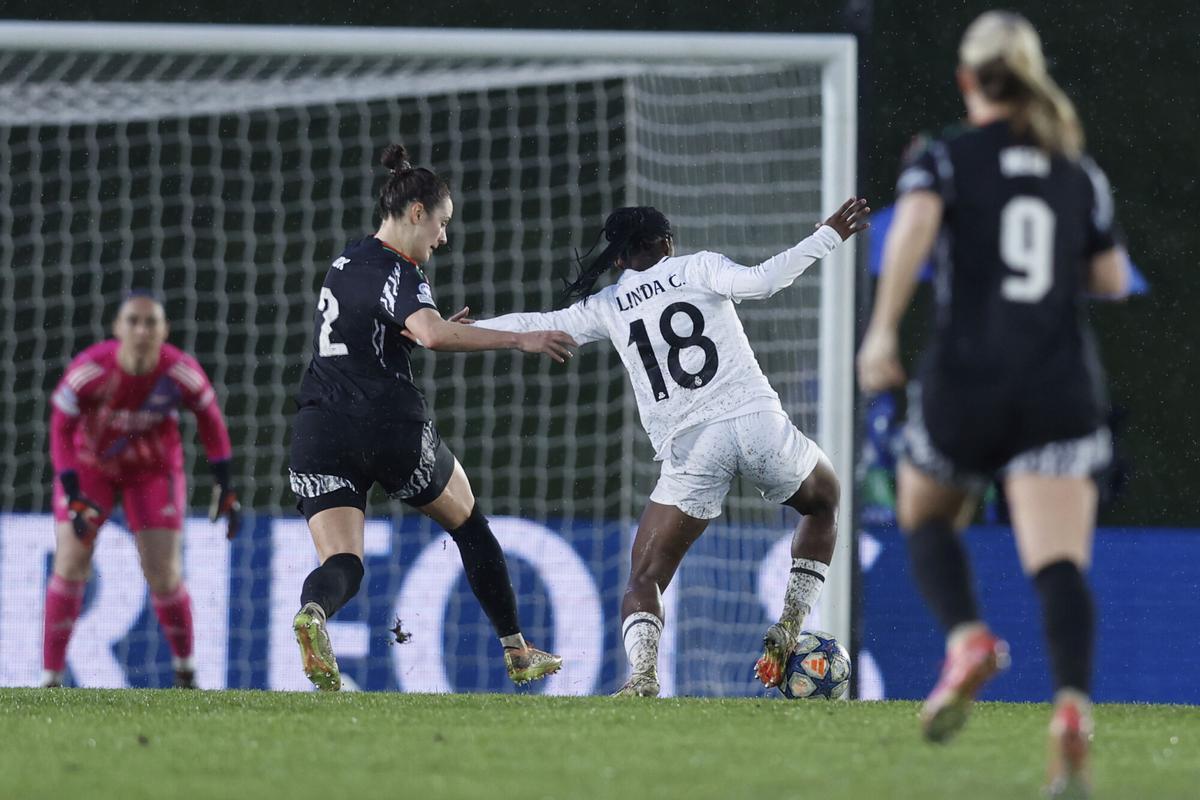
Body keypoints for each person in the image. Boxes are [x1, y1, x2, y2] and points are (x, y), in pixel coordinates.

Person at [856, 11, 1130, 798]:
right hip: (1058, 385)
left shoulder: (942, 158)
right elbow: (1110, 281)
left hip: (967, 380)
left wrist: (881, 333)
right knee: (1059, 564)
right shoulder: (1075, 168)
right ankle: (1071, 712)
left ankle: (968, 638)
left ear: (968, 81)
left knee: (926, 513)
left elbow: (911, 232)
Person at [457, 198, 869, 697]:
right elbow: (763, 281)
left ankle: (644, 676)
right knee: (824, 501)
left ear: (617, 260)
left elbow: (534, 323)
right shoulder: (700, 267)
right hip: (757, 421)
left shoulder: (607, 305)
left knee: (645, 576)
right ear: (666, 242)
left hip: (694, 447)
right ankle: (790, 622)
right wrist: (826, 235)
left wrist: (456, 330)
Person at [288, 143, 576, 691]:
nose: (443, 238)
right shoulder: (401, 268)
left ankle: (313, 614)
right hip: (387, 426)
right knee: (469, 524)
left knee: (344, 562)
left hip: (319, 430)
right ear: (416, 212)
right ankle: (517, 650)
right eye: (441, 223)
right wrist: (522, 337)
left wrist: (420, 324)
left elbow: (376, 332)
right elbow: (433, 334)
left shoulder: (345, 262)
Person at [43, 291, 241, 689]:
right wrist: (71, 488)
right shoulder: (90, 370)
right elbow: (61, 428)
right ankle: (51, 676)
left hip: (153, 471)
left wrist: (226, 485)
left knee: (164, 573)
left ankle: (186, 672)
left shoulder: (179, 371)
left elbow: (211, 422)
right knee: (70, 561)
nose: (141, 330)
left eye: (151, 323)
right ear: (118, 329)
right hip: (90, 468)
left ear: (164, 330)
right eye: (133, 321)